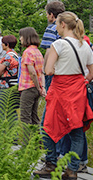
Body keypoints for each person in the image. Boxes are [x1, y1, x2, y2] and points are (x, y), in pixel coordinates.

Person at [33, 12, 93, 179]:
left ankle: (51, 163)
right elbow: (91, 73)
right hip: (77, 91)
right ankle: (72, 170)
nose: (56, 28)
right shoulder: (85, 45)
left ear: (63, 25)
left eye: (57, 25)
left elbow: (49, 70)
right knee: (76, 129)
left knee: (47, 126)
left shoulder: (58, 44)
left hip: (60, 90)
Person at [40, 0, 67, 162]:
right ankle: (62, 151)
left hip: (54, 75)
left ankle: (52, 155)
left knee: (50, 115)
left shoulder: (52, 28)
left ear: (51, 15)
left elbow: (49, 52)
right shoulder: (70, 28)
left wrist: (44, 72)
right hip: (68, 74)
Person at [18, 27, 45, 125]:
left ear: (26, 37)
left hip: (28, 87)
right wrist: (42, 88)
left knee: (25, 118)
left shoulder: (27, 52)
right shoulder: (38, 52)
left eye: (21, 36)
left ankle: (27, 140)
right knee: (34, 117)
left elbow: (32, 72)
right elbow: (41, 72)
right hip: (36, 88)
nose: (20, 39)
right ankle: (37, 139)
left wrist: (38, 87)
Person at [0, 35, 20, 121]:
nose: (1, 45)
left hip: (6, 86)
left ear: (7, 44)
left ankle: (0, 129)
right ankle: (13, 131)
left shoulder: (8, 57)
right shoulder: (16, 55)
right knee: (11, 109)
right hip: (14, 84)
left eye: (2, 43)